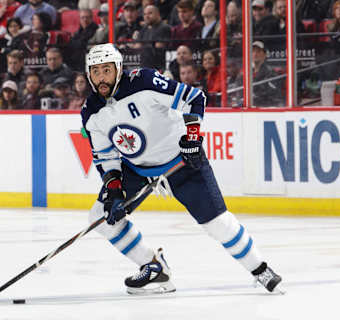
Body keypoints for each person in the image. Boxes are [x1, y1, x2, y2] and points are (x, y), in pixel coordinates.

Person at [80, 43, 283, 294]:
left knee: (217, 224)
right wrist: (113, 188)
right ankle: (154, 268)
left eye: (107, 70)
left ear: (119, 69)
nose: (101, 77)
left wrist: (193, 139)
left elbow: (194, 99)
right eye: (96, 71)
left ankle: (260, 269)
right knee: (101, 218)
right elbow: (105, 155)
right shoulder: (91, 110)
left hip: (181, 161)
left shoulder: (144, 81)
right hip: (136, 170)